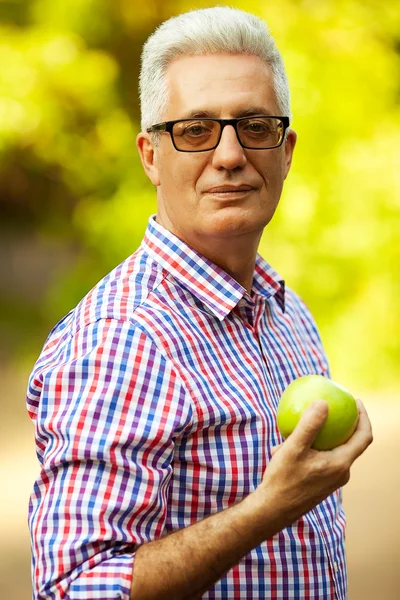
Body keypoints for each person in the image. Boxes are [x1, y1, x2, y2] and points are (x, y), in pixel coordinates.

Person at [26, 6, 373, 600]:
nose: (231, 155)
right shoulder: (121, 337)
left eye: (256, 126)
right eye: (195, 130)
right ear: (150, 155)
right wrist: (267, 509)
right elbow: (72, 589)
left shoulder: (287, 311)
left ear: (286, 150)